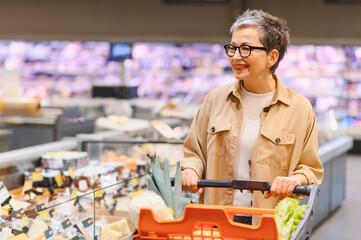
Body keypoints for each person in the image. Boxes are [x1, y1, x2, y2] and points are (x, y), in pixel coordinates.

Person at [181, 9, 324, 215]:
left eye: (246, 49)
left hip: (267, 223)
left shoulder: (300, 109)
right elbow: (194, 151)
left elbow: (310, 169)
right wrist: (191, 170)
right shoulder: (215, 100)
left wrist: (294, 180)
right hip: (217, 220)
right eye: (232, 48)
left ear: (271, 57)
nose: (236, 57)